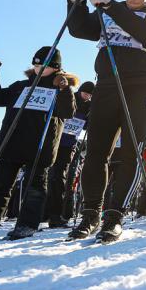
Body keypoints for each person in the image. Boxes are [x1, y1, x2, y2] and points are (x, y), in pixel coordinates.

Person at [65, 0, 146, 243]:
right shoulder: (108, 12)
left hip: (141, 85)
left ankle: (115, 216)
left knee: (130, 150)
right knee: (96, 150)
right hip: (107, 83)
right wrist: (75, 1)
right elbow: (78, 29)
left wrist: (110, 5)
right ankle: (90, 214)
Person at [0, 48, 77, 240]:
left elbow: (67, 112)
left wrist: (65, 89)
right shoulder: (21, 86)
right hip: (12, 143)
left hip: (40, 147)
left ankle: (26, 225)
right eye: (36, 64)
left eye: (45, 65)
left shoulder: (58, 88)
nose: (39, 68)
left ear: (56, 68)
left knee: (35, 189)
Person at [44, 81, 93, 227]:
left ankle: (58, 215)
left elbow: (87, 126)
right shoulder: (70, 97)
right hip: (55, 141)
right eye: (86, 93)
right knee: (49, 176)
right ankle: (44, 213)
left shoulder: (89, 106)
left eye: (90, 95)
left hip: (69, 145)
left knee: (62, 178)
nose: (87, 96)